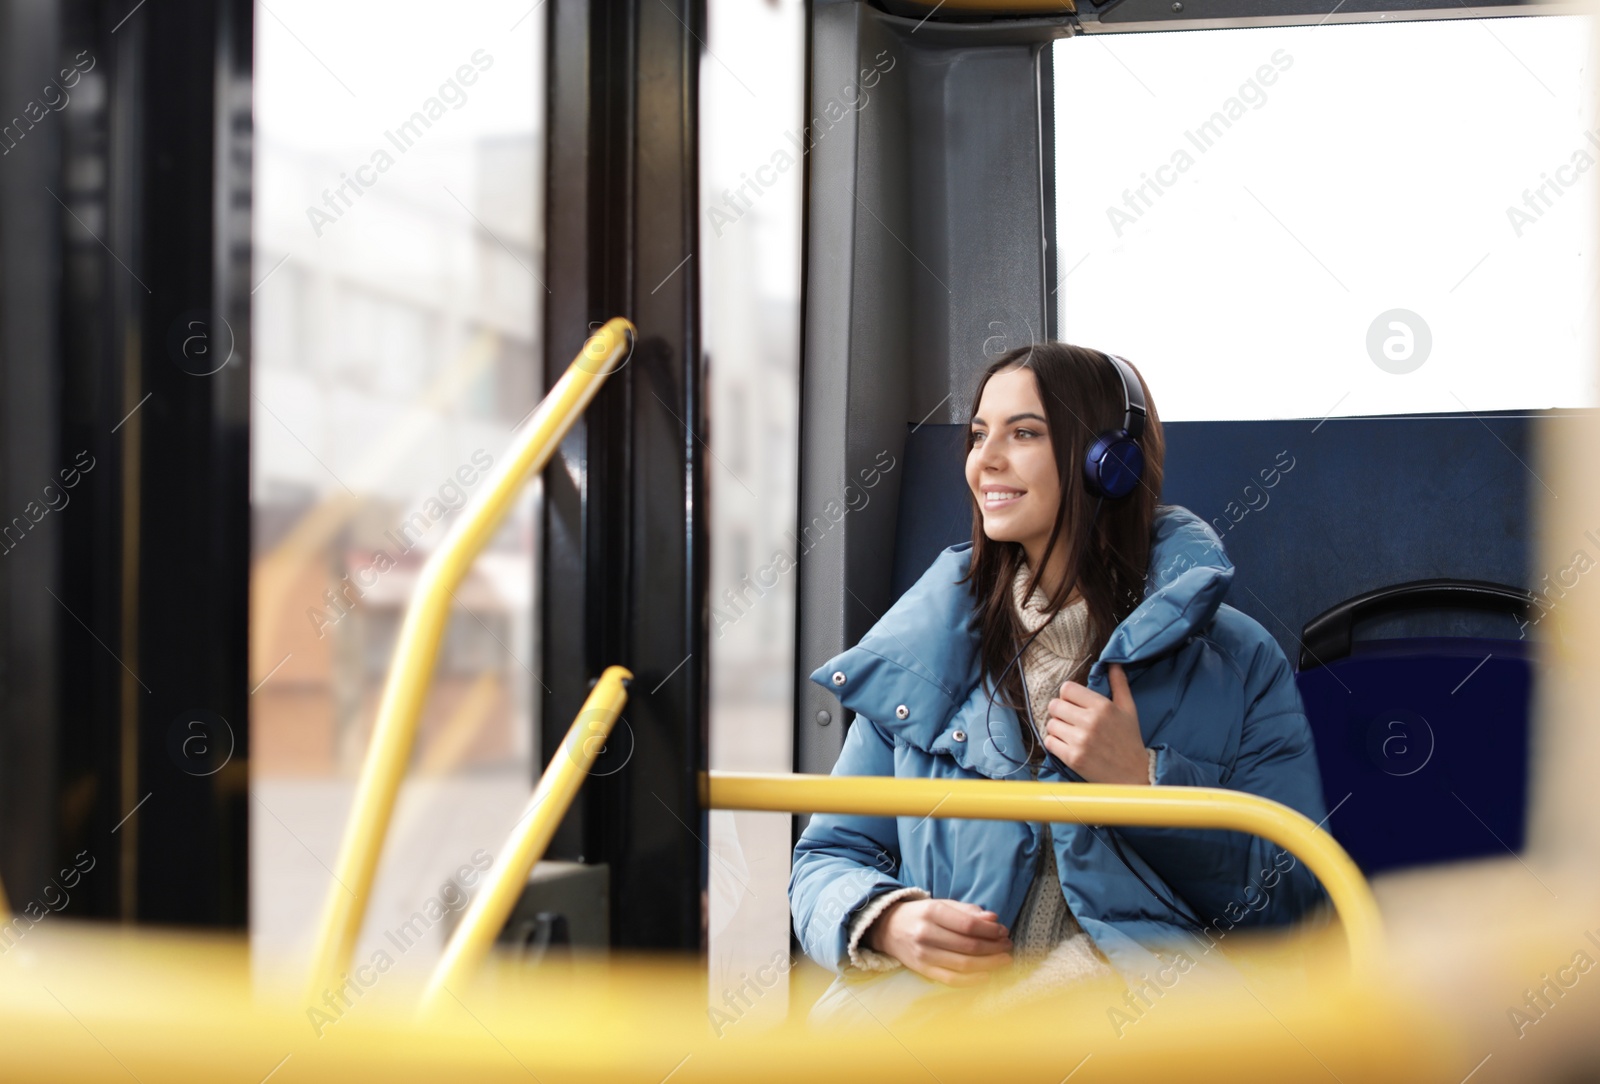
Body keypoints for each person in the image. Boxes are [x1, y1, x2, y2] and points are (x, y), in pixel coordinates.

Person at [788, 342, 1329, 1024]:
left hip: (1141, 1018)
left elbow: (1296, 901)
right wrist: (887, 920)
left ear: (1110, 463)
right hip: (941, 1013)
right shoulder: (923, 653)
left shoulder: (1237, 662)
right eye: (980, 435)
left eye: (1024, 434)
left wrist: (1145, 784)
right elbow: (829, 856)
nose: (985, 461)